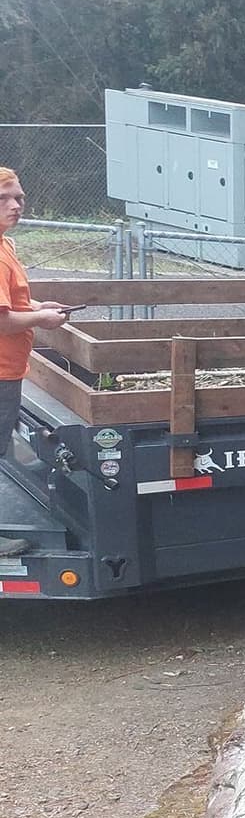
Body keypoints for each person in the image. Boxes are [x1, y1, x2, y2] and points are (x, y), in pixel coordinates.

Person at [0, 167, 73, 556]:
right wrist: (41, 319)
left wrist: (36, 306)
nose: (15, 206)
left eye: (20, 198)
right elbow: (1, 320)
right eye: (4, 199)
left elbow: (12, 305)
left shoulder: (6, 246)